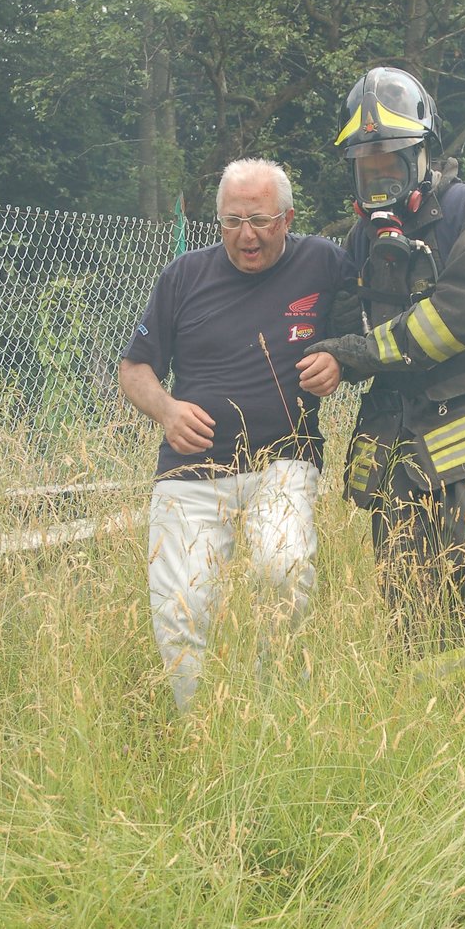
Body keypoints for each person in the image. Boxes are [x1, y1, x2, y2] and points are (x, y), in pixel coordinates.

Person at [301, 66, 465, 693]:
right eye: (367, 167)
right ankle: (444, 722)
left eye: (392, 161)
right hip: (398, 434)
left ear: (425, 156)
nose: (380, 176)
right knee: (410, 588)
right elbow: (338, 327)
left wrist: (361, 351)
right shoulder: (359, 242)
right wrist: (338, 354)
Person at [119, 158, 353, 710]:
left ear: (288, 218)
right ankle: (197, 727)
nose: (246, 235)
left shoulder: (326, 262)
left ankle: (275, 712)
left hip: (283, 460)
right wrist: (168, 411)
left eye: (260, 220)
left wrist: (339, 359)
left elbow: (363, 330)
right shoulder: (183, 276)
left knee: (283, 566)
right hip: (191, 469)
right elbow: (134, 370)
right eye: (231, 221)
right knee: (181, 605)